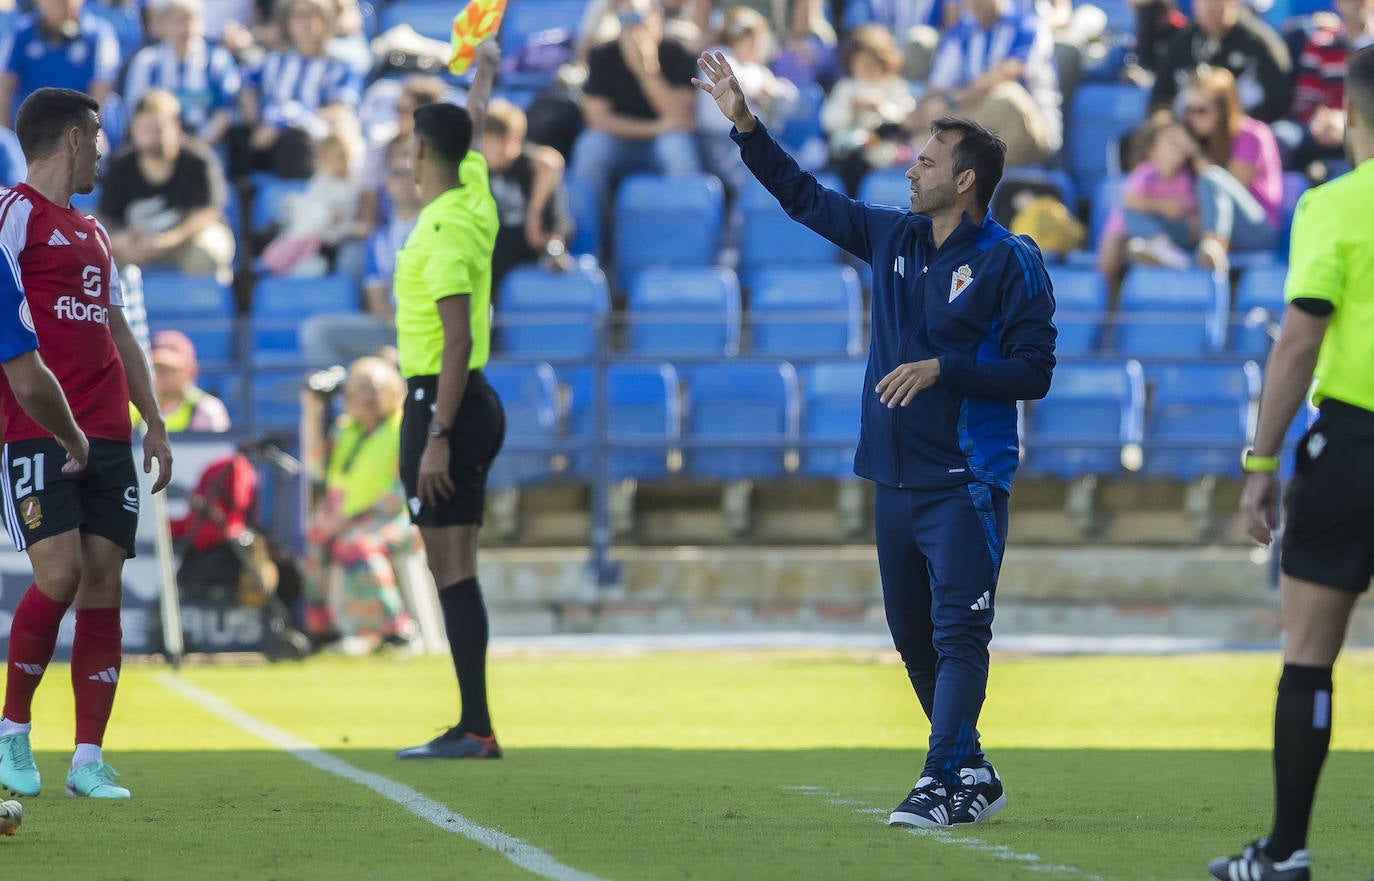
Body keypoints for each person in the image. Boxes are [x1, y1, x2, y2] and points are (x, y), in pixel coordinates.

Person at [695, 52, 1056, 827]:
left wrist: (943, 369)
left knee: (961, 632)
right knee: (914, 639)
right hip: (892, 476)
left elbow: (1034, 371)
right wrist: (746, 125)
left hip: (966, 476)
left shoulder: (1010, 259)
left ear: (965, 180)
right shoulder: (893, 237)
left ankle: (936, 782)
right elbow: (804, 199)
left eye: (926, 160)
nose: (910, 167)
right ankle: (971, 768)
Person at [1207, 43, 1374, 881]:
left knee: (1309, 652)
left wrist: (1259, 460)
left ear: (1353, 110)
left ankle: (1283, 850)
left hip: (1353, 444)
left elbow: (1300, 337)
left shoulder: (1336, 203)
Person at [0, 87, 174, 801]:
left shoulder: (95, 232)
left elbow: (119, 333)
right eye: (97, 138)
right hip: (38, 429)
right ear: (73, 138)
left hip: (109, 432)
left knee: (104, 582)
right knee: (59, 575)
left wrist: (154, 420)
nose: (103, 151)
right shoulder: (12, 216)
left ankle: (88, 757)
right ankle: (13, 733)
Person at [392, 42, 507, 761]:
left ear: (420, 153)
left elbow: (457, 339)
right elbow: (471, 123)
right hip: (465, 402)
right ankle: (474, 723)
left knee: (452, 564)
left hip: (445, 400)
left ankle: (475, 726)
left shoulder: (442, 228)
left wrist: (436, 431)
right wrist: (483, 76)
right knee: (453, 562)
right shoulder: (471, 192)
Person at [301, 356, 416, 652]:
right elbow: (316, 469)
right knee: (315, 536)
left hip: (397, 521)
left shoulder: (405, 429)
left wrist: (349, 520)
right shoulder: (345, 431)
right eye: (359, 388)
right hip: (348, 519)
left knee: (358, 545)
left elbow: (401, 493)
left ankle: (395, 629)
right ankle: (320, 628)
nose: (367, 396)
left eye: (374, 388)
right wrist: (312, 411)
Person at [570, 0, 700, 224]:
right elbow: (597, 121)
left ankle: (687, 230)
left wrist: (646, 70)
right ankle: (589, 238)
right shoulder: (603, 53)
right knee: (591, 147)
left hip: (662, 144)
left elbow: (680, 116)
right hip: (623, 142)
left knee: (676, 145)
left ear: (657, 16)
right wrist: (656, 128)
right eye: (624, 19)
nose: (631, 26)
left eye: (637, 18)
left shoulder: (678, 51)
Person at [299, 134, 420, 367]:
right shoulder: (379, 238)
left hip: (432, 330)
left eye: (411, 174)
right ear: (387, 180)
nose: (403, 181)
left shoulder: (440, 226)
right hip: (394, 327)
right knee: (317, 330)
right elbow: (377, 298)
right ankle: (340, 398)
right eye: (397, 173)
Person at [98, 90, 236, 284]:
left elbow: (207, 213)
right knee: (95, 253)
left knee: (207, 252)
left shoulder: (198, 160)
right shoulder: (121, 165)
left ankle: (203, 309)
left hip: (186, 240)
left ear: (175, 126)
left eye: (157, 128)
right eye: (144, 128)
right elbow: (107, 217)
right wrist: (119, 241)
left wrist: (166, 241)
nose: (151, 136)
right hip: (137, 245)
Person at [910, 0, 1063, 167]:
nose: (974, 4)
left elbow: (1007, 73)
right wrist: (920, 113)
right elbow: (938, 86)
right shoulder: (963, 31)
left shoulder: (1029, 26)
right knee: (926, 115)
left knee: (1006, 98)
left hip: (1033, 130)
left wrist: (949, 103)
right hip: (981, 126)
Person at [1180, 66, 1282, 271]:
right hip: (1207, 224)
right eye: (1188, 110)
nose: (1193, 118)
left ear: (1223, 108)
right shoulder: (1198, 137)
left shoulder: (1253, 134)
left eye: (1201, 110)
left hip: (1258, 231)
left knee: (1211, 177)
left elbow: (1231, 184)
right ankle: (1169, 255)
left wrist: (1195, 153)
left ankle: (1213, 253)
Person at [481, 99, 574, 295]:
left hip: (533, 239)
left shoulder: (526, 165)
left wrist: (534, 215)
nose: (485, 149)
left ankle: (554, 251)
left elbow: (552, 161)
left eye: (491, 142)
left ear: (512, 140)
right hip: (499, 244)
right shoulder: (479, 169)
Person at [121, 0, 243, 148]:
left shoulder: (218, 59)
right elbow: (136, 110)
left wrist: (200, 145)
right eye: (177, 21)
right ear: (162, 26)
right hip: (157, 143)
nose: (185, 28)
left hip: (206, 143)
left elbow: (225, 111)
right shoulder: (147, 62)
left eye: (190, 20)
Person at [1098, 113, 1200, 286]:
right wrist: (1162, 206)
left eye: (1181, 145)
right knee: (1121, 232)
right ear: (1152, 149)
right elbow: (1130, 201)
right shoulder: (1145, 172)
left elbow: (1186, 210)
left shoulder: (1185, 178)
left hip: (1170, 233)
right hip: (1127, 230)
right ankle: (1106, 300)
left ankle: (1162, 252)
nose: (1178, 149)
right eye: (1171, 143)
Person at [1149, 0, 1291, 124]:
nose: (1210, 7)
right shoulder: (1183, 43)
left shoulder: (1258, 42)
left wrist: (1233, 123)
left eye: (1218, 1)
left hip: (1245, 128)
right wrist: (1163, 121)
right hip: (1190, 130)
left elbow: (1279, 99)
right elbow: (1161, 96)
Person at [1276, 0, 1374, 175]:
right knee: (1281, 136)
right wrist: (1317, 121)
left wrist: (1345, 122)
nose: (1354, 3)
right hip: (1320, 129)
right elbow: (1304, 101)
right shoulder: (1320, 43)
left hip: (1366, 129)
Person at [820, 24, 915, 195]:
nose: (866, 67)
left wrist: (881, 107)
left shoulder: (894, 86)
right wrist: (852, 108)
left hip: (883, 151)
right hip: (848, 150)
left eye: (871, 63)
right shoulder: (845, 87)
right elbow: (829, 122)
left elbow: (906, 120)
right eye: (861, 62)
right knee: (848, 163)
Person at [0, 0, 121, 127]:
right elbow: (3, 88)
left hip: (78, 130)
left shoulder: (101, 35)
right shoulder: (19, 33)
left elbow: (101, 90)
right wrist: (6, 137)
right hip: (28, 133)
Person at [258, 132, 360, 276]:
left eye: (341, 156)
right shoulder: (320, 183)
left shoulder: (354, 187)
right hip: (314, 245)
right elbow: (314, 223)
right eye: (330, 158)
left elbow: (342, 227)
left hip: (335, 248)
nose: (337, 162)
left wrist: (349, 228)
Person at [140, 330, 231, 433]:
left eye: (172, 370)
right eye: (157, 368)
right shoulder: (131, 408)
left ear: (191, 372)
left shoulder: (208, 410)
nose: (163, 375)